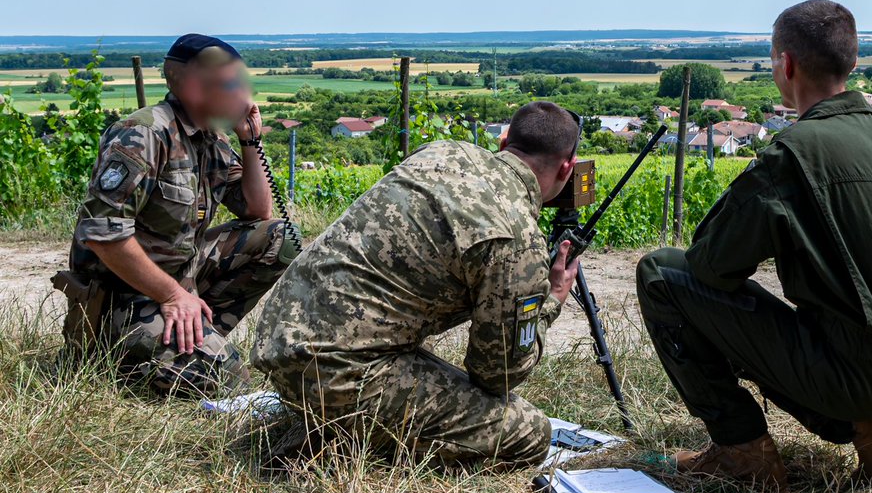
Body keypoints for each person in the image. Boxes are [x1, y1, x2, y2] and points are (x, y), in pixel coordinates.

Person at [636, 0, 872, 490]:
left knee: (661, 272)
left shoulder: (791, 157)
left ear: (785, 65)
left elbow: (710, 267)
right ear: (852, 64)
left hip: (849, 379)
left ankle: (741, 450)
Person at [251, 101, 581, 466]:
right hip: (334, 371)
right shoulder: (517, 238)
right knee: (529, 432)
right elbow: (497, 374)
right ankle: (341, 444)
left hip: (280, 333)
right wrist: (550, 299)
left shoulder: (442, 151)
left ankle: (336, 419)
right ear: (568, 166)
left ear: (504, 143)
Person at [60, 34, 297, 397]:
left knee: (279, 238)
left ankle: (196, 335)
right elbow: (103, 235)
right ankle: (122, 354)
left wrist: (251, 140)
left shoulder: (211, 138)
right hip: (121, 298)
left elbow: (257, 210)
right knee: (229, 379)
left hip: (176, 283)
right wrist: (172, 296)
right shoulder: (143, 133)